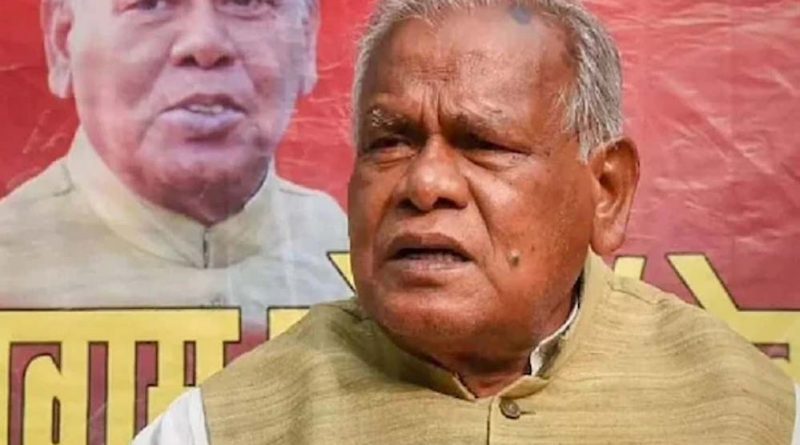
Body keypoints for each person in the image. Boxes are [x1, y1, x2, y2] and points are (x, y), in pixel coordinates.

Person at [134, 0, 800, 443]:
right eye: (390, 141)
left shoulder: (752, 417)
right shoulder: (222, 427)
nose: (425, 183)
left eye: (483, 144)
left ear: (606, 191)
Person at [0, 0, 351, 326]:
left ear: (306, 40)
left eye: (245, 2)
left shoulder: (348, 255)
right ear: (63, 41)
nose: (205, 44)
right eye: (151, 3)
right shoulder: (10, 262)